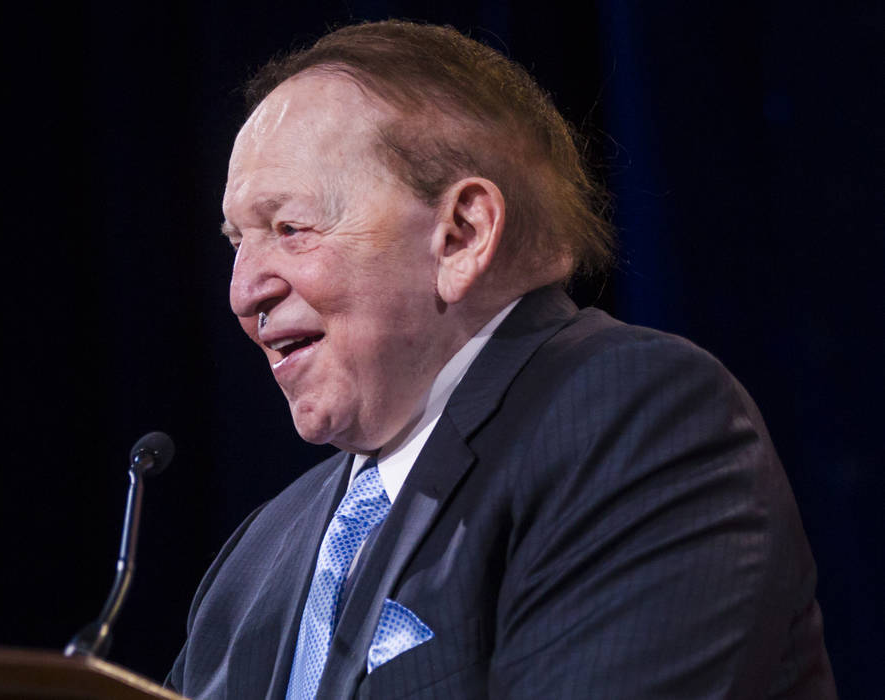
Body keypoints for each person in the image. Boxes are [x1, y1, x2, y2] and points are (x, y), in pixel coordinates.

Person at [167, 20, 835, 699]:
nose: (243, 292)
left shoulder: (636, 425)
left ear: (462, 235)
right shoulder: (257, 559)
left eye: (290, 229)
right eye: (237, 243)